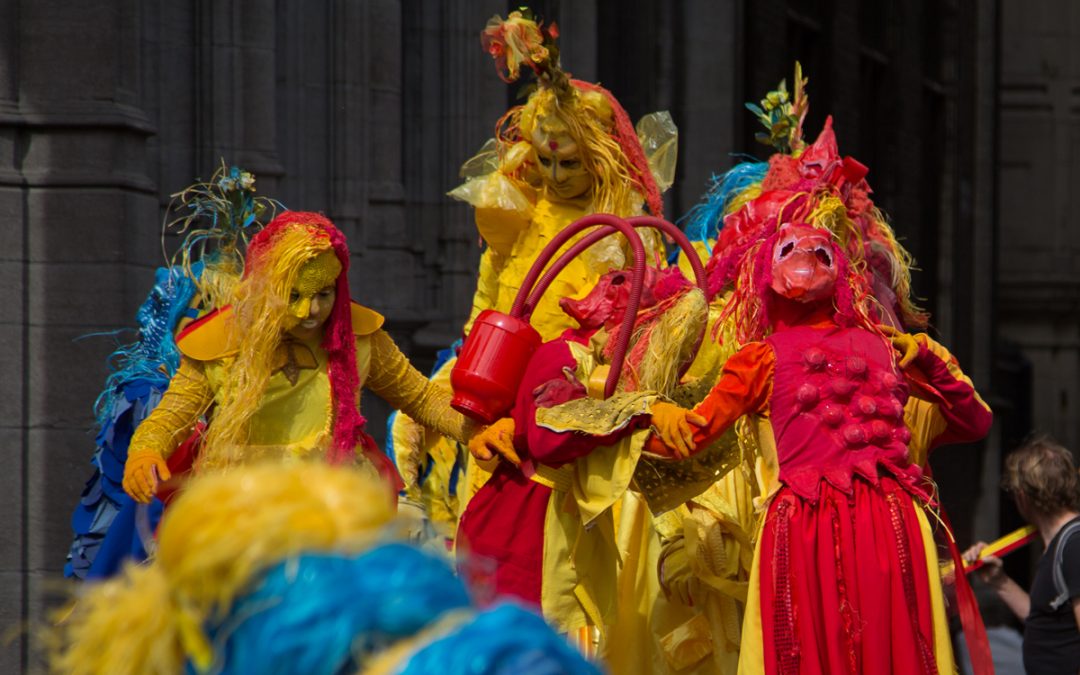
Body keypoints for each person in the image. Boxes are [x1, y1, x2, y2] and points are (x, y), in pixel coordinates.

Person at [389, 9, 675, 536]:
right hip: (503, 387)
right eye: (547, 161)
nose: (556, 176)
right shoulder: (515, 209)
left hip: (575, 407)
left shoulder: (625, 227)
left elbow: (637, 326)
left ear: (601, 157)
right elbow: (490, 299)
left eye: (570, 164)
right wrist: (467, 371)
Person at [121, 210, 508, 502]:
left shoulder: (360, 336)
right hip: (244, 506)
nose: (311, 311)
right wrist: (144, 452)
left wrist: (475, 430)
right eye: (294, 297)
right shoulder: (219, 342)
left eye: (324, 294)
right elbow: (172, 416)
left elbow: (421, 397)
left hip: (333, 504)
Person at [963, 435, 1080, 674]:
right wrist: (999, 581)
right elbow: (1045, 621)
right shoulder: (1058, 544)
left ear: (1023, 496)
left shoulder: (1074, 545)